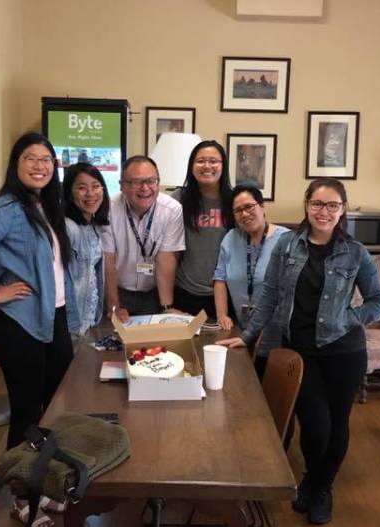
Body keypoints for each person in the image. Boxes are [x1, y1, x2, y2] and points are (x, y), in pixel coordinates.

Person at [218, 177, 380, 526]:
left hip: (344, 352)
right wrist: (248, 337)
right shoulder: (288, 247)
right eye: (317, 204)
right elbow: (269, 297)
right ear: (306, 205)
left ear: (342, 210)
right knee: (315, 422)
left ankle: (320, 486)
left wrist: (349, 318)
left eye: (332, 205)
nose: (323, 212)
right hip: (300, 350)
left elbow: (378, 301)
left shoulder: (355, 252)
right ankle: (312, 474)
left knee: (337, 423)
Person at [0, 132, 78, 527]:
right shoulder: (7, 207)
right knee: (27, 409)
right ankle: (23, 495)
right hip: (18, 322)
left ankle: (46, 482)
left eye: (46, 159)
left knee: (55, 404)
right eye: (30, 158)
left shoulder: (44, 205)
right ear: (15, 164)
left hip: (51, 316)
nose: (39, 165)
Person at [213, 183, 291, 376]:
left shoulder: (286, 240)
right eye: (238, 210)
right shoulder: (231, 238)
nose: (244, 214)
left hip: (277, 334)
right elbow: (220, 278)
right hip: (241, 332)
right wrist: (222, 315)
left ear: (262, 206)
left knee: (271, 392)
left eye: (249, 207)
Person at [102, 156, 185, 320]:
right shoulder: (108, 208)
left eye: (151, 181)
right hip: (117, 292)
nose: (145, 188)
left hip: (153, 294)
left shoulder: (171, 210)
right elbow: (108, 261)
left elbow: (166, 259)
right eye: (136, 182)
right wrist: (114, 307)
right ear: (122, 185)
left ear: (158, 183)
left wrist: (166, 308)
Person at [170, 140, 233, 318]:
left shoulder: (233, 200)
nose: (207, 166)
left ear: (223, 166)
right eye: (200, 161)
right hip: (184, 292)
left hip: (224, 294)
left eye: (213, 161)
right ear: (191, 166)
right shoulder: (178, 199)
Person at [63, 162, 109, 335]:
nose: (90, 194)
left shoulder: (93, 225)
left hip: (88, 319)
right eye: (82, 188)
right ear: (69, 193)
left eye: (96, 186)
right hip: (72, 324)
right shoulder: (68, 228)